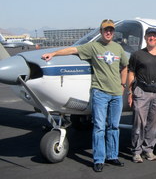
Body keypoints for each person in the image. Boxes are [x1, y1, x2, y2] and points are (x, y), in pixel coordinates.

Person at [41, 19, 128, 173]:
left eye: (111, 30)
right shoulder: (93, 47)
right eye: (106, 30)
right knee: (99, 127)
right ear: (101, 32)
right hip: (100, 92)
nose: (108, 32)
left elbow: (125, 66)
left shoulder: (118, 48)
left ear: (114, 33)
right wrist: (53, 53)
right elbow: (72, 50)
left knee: (114, 126)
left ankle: (112, 156)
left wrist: (122, 85)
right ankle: (99, 159)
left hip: (116, 93)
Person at [127, 27, 156, 163]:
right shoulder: (137, 55)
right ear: (146, 38)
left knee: (154, 122)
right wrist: (130, 92)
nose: (152, 38)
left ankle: (149, 149)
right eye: (149, 36)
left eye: (154, 36)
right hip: (142, 90)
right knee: (139, 122)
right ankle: (136, 151)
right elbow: (131, 73)